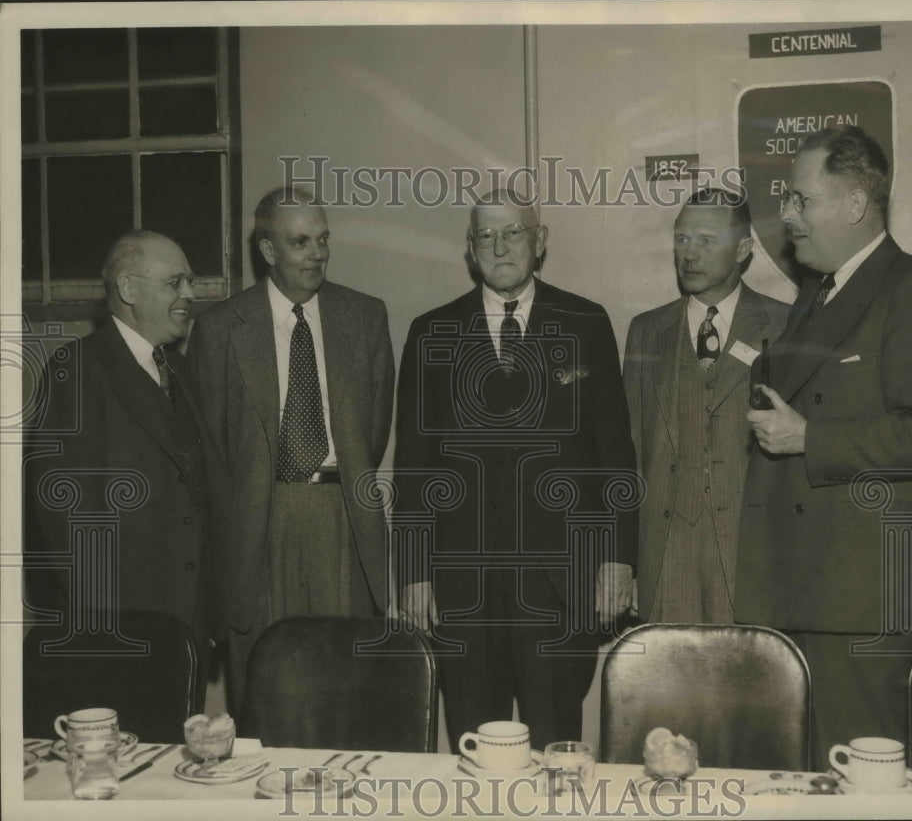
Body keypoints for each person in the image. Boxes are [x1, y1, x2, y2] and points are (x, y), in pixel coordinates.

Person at [736, 126, 912, 765]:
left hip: (860, 606)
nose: (785, 215)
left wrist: (810, 437)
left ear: (855, 205)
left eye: (801, 200)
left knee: (861, 786)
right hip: (803, 592)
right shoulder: (819, 294)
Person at [394, 189, 639, 752]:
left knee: (555, 746)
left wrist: (619, 559)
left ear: (541, 241)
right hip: (463, 587)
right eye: (486, 235)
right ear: (470, 248)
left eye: (514, 233)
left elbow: (615, 456)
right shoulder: (432, 331)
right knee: (475, 747)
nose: (500, 246)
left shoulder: (585, 322)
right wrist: (413, 570)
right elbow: (412, 467)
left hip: (559, 583)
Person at [187, 187, 394, 713]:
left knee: (344, 689)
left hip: (341, 516)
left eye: (322, 239)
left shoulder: (366, 316)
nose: (317, 253)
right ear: (268, 250)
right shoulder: (218, 329)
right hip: (259, 522)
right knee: (265, 694)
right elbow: (211, 446)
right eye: (300, 241)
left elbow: (374, 430)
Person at [24, 230, 225, 700]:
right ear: (129, 289)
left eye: (190, 282)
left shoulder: (179, 372)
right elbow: (67, 522)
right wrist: (103, 639)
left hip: (185, 631)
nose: (190, 295)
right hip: (118, 637)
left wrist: (210, 613)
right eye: (175, 282)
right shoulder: (75, 370)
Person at [623, 188, 789, 623]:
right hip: (665, 552)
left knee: (753, 685)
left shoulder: (786, 325)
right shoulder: (646, 331)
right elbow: (631, 453)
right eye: (681, 240)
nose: (689, 255)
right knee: (669, 687)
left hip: (753, 554)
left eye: (705, 240)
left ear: (744, 249)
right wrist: (627, 563)